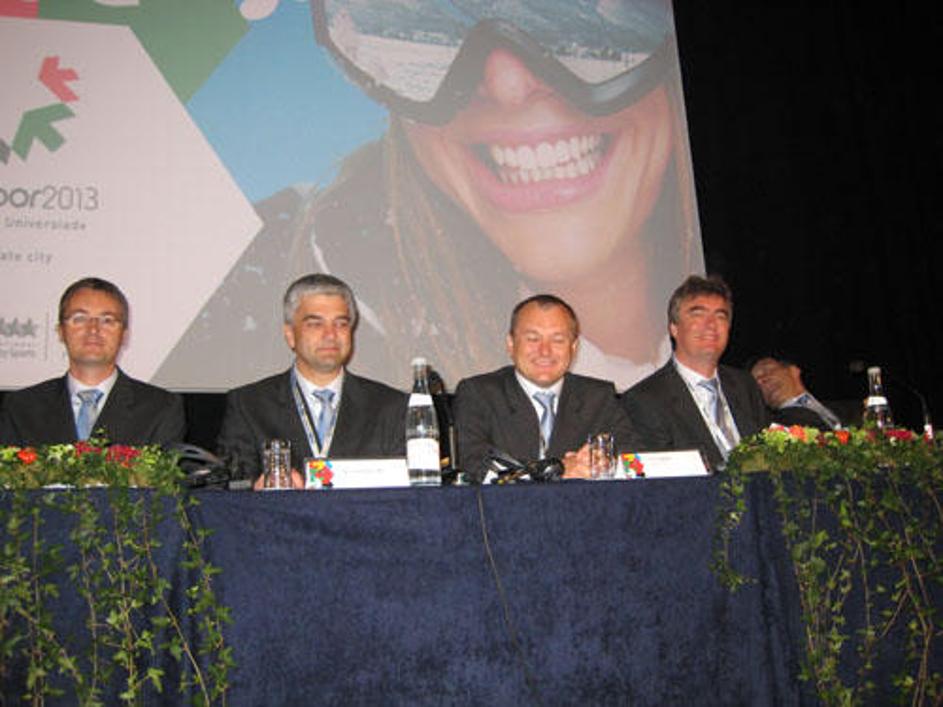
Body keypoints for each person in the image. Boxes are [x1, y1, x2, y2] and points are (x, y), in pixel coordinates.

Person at [154, 0, 703, 395]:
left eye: (571, 12)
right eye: (428, 19)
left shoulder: (721, 393)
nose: (509, 86)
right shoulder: (238, 293)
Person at [215, 273, 407, 483]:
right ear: (290, 335)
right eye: (316, 324)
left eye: (340, 324)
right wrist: (258, 491)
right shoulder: (249, 405)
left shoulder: (392, 407)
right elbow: (230, 486)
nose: (330, 335)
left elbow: (412, 492)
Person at [454, 294, 640, 481]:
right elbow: (474, 464)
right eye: (533, 339)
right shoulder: (479, 394)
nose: (545, 351)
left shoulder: (599, 397)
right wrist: (558, 469)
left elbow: (634, 459)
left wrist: (602, 462)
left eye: (558, 340)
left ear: (574, 347)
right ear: (510, 344)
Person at [0, 277, 185, 447]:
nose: (93, 329)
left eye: (107, 320)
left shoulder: (160, 408)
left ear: (124, 335)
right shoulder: (22, 407)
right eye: (80, 319)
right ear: (60, 331)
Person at [621, 275, 768, 471]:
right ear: (674, 328)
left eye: (720, 316)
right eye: (698, 315)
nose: (711, 324)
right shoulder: (645, 399)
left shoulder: (745, 386)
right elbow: (658, 478)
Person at [749, 356, 843, 430]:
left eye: (767, 370)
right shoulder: (773, 428)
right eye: (756, 381)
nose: (762, 379)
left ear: (794, 370)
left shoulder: (842, 408)